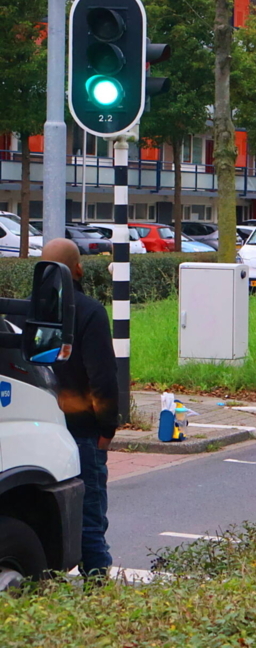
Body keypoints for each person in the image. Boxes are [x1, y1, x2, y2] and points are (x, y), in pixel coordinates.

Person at [41, 238, 119, 578]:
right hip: (83, 429)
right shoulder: (89, 311)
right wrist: (107, 428)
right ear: (78, 268)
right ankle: (96, 588)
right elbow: (102, 377)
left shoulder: (30, 310)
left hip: (43, 425)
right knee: (89, 512)